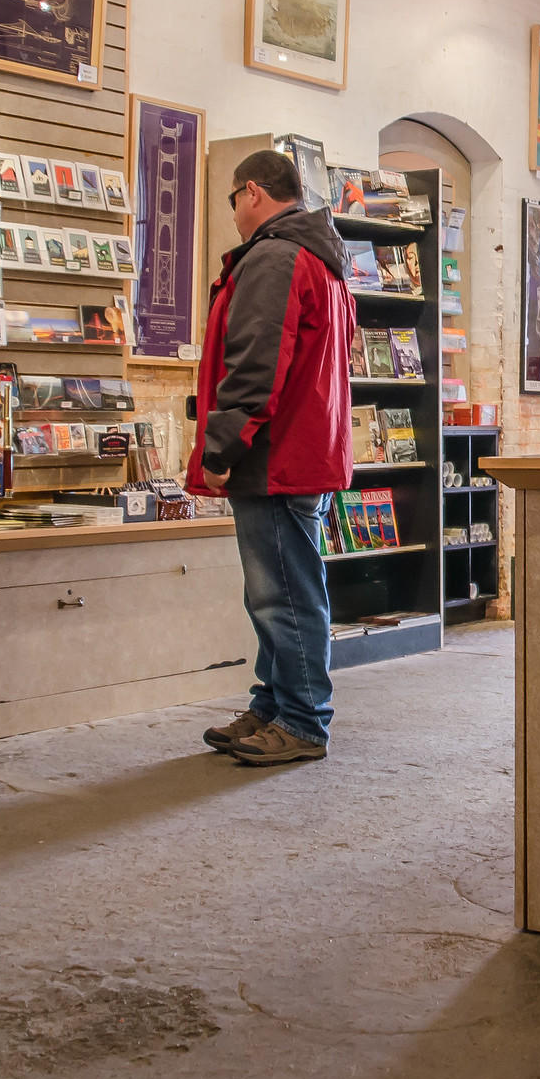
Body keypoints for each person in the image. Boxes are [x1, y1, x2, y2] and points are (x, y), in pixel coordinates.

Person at [189, 149, 356, 766]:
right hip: (296, 450)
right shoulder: (318, 258)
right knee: (277, 588)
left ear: (253, 192)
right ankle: (274, 704)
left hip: (274, 455)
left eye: (233, 200)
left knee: (282, 591)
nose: (233, 213)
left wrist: (223, 445)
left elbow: (256, 364)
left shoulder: (276, 257)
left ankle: (305, 719)